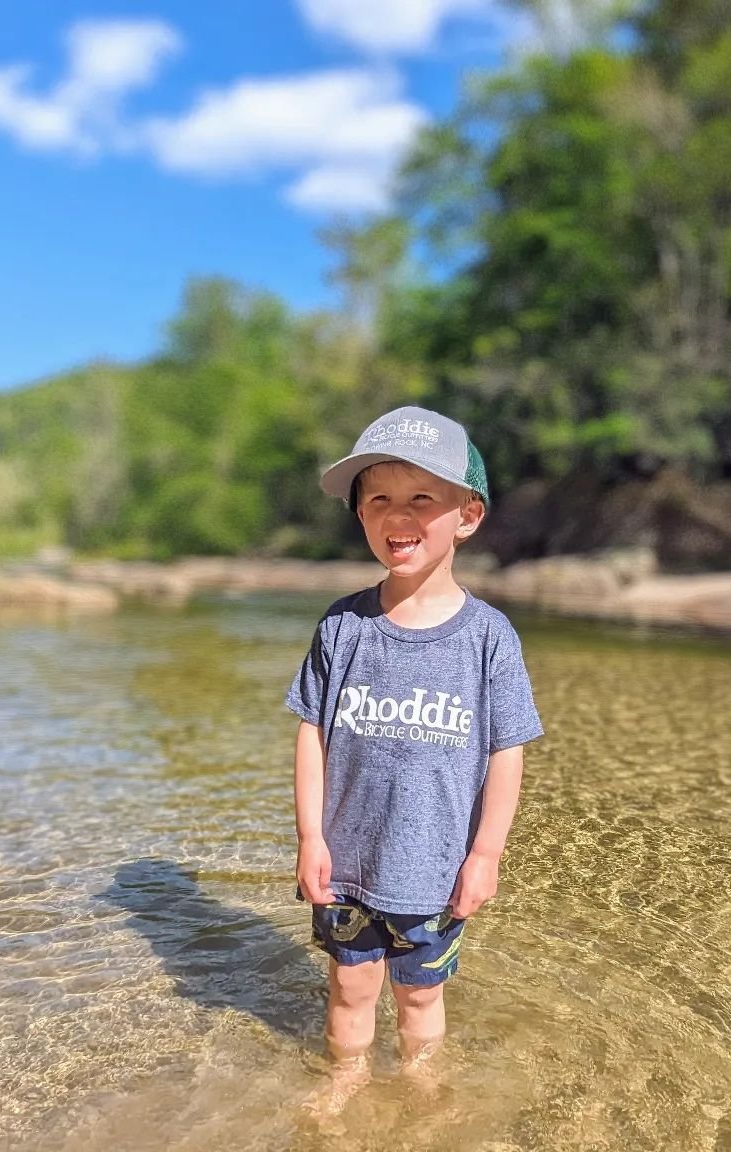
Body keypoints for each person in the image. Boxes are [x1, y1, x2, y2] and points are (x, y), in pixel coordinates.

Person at [285, 405, 543, 1118]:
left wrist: (486, 853)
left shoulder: (488, 639)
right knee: (349, 986)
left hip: (433, 866)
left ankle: (426, 1090)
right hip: (347, 863)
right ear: (361, 515)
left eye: (421, 498)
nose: (397, 515)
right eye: (378, 500)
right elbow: (311, 731)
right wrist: (311, 836)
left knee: (422, 991)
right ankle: (345, 1080)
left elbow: (506, 750)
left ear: (467, 515)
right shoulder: (342, 626)